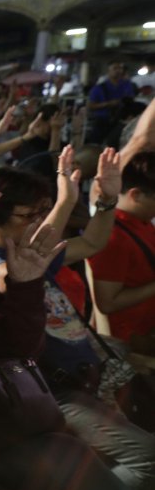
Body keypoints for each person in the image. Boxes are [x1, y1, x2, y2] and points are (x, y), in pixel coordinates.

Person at [0, 150, 155, 490]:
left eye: (45, 210)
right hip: (49, 391)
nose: (41, 221)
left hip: (81, 378)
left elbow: (91, 244)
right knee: (147, 457)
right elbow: (8, 279)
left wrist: (104, 203)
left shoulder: (30, 250)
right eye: (30, 215)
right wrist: (66, 202)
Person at [89, 150, 155, 355]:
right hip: (133, 339)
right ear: (135, 194)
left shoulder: (140, 221)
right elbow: (107, 303)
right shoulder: (113, 237)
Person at [87, 61, 136, 144]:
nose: (118, 71)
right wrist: (108, 104)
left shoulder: (127, 85)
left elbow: (131, 100)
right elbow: (91, 105)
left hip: (120, 120)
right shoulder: (99, 88)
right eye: (115, 68)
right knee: (96, 142)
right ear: (108, 71)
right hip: (102, 119)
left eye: (120, 68)